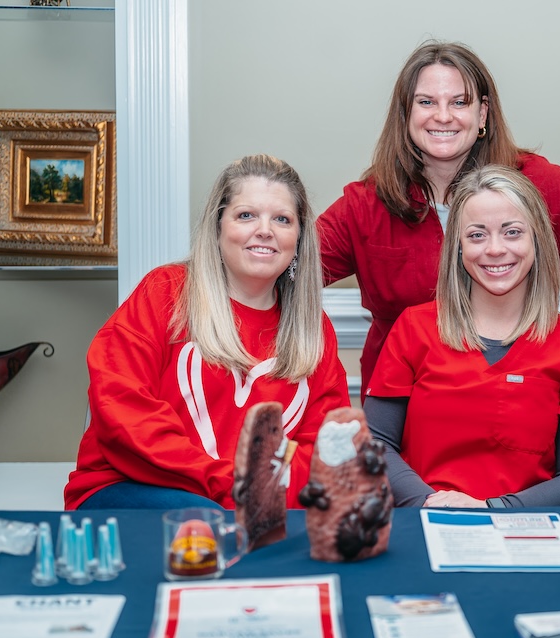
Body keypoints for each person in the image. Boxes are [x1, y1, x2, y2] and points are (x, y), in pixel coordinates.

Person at [317, 40, 560, 395]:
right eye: (426, 102)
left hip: (523, 399)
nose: (443, 116)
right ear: (405, 114)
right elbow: (292, 268)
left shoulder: (545, 187)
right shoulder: (364, 204)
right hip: (400, 407)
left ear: (483, 114)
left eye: (460, 102)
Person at [65, 154, 349, 510]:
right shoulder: (165, 292)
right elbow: (122, 407)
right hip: (131, 487)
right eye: (246, 215)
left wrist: (264, 496)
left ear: (299, 238)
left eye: (282, 219)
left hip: (253, 506)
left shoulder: (313, 327)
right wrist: (232, 486)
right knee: (207, 523)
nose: (265, 230)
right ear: (217, 229)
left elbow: (325, 446)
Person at [364, 165, 560, 508]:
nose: (495, 249)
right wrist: (431, 503)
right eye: (477, 235)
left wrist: (493, 510)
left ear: (538, 240)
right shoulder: (414, 329)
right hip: (425, 518)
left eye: (512, 232)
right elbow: (374, 444)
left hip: (522, 528)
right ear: (458, 247)